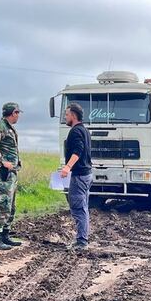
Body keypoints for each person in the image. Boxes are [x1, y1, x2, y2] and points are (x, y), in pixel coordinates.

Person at [0, 102, 24, 250]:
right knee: (1, 204)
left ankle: (5, 235)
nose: (18, 116)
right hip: (3, 174)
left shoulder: (9, 128)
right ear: (12, 113)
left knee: (10, 206)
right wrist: (1, 161)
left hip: (12, 174)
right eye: (17, 113)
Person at [60, 103, 93, 250]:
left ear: (73, 115)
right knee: (83, 207)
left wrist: (67, 166)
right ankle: (82, 239)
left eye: (66, 114)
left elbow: (78, 150)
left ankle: (82, 241)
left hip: (79, 176)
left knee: (78, 208)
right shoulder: (85, 130)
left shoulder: (75, 131)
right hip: (86, 174)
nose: (65, 117)